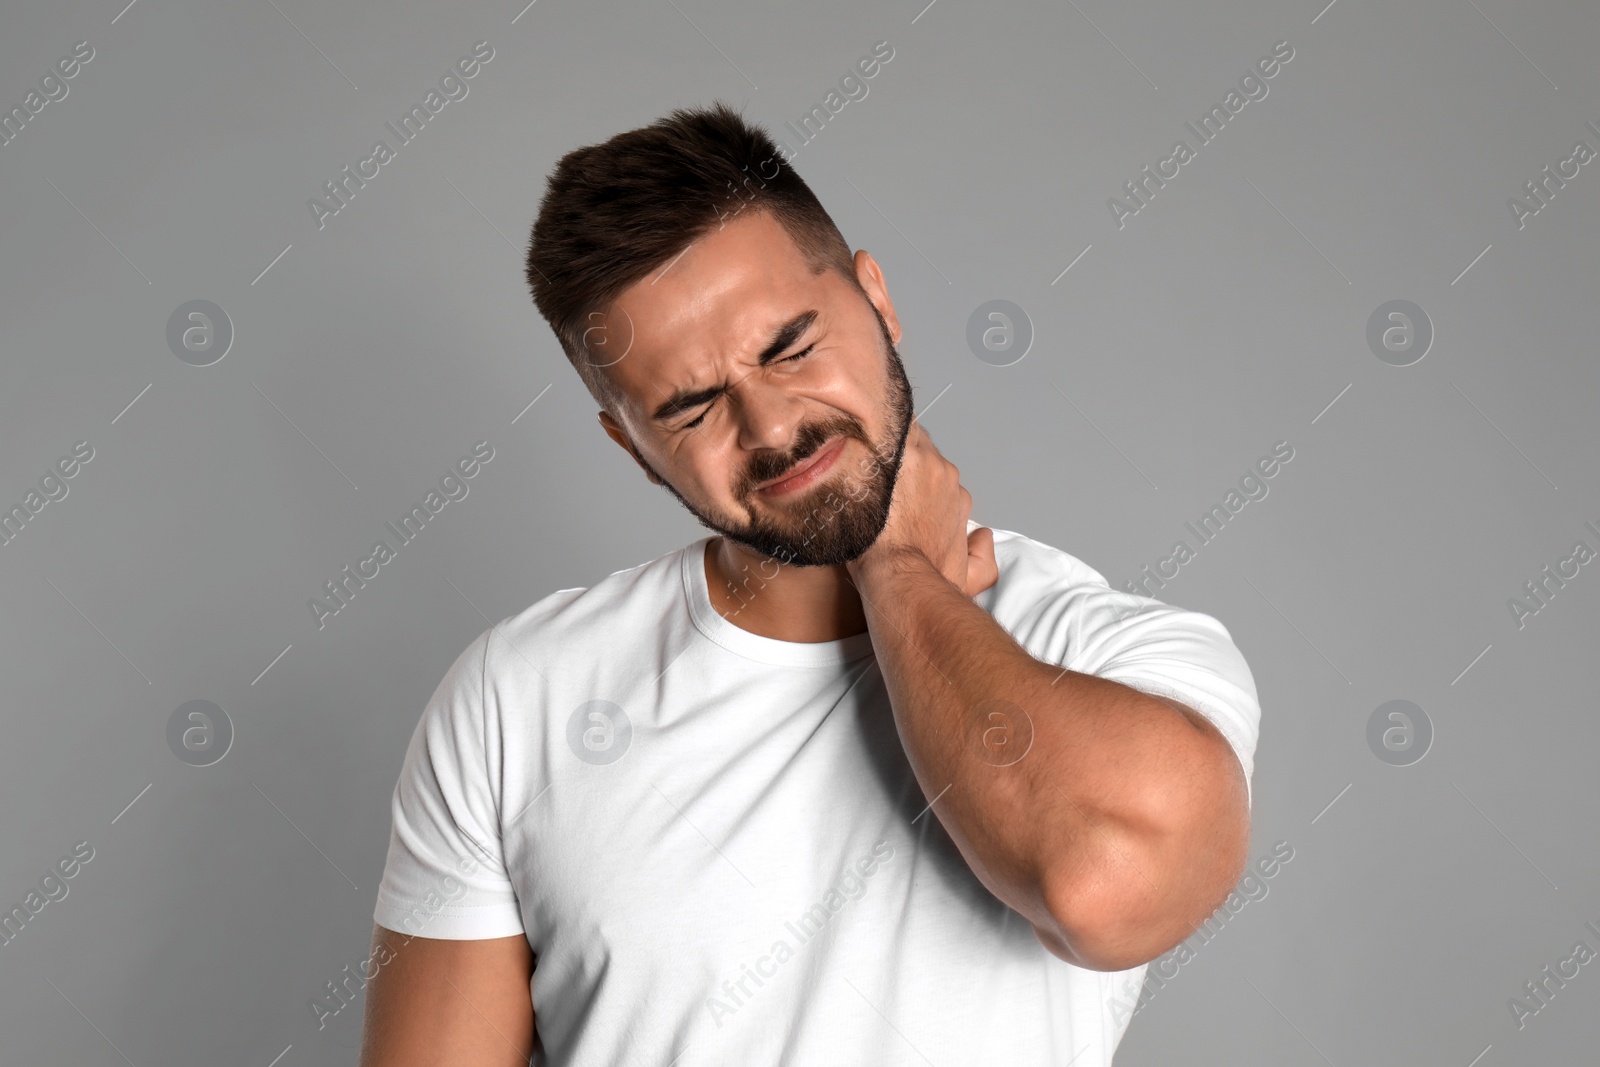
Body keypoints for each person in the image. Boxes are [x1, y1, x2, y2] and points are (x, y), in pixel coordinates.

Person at [358, 101, 1259, 1067]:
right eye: (693, 406)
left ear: (876, 298)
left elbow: (1104, 889)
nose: (772, 425)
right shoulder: (518, 696)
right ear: (631, 444)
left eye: (791, 348)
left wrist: (897, 565)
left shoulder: (1110, 651)